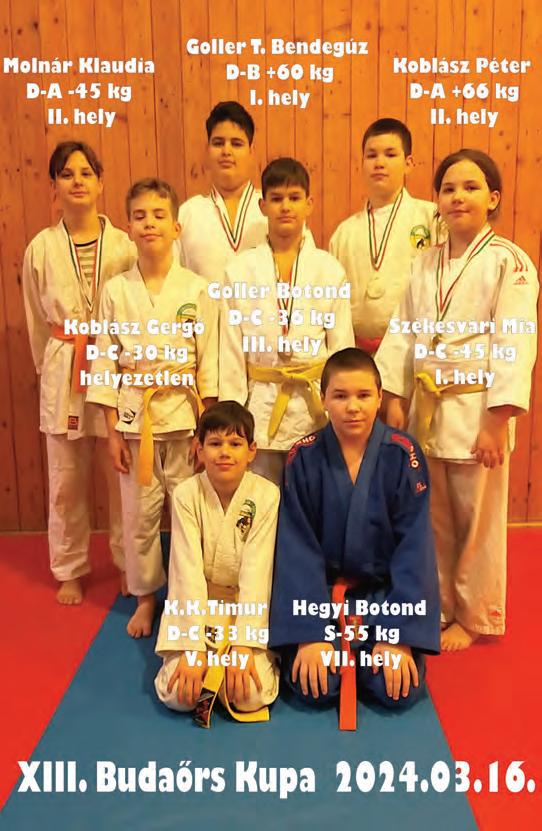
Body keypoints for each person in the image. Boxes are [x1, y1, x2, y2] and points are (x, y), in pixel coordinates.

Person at [376, 149, 539, 651]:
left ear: (493, 198)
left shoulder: (509, 261)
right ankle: (440, 604)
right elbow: (403, 330)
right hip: (428, 410)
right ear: (437, 201)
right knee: (435, 517)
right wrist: (395, 394)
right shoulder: (425, 262)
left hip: (476, 409)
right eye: (448, 189)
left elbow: (515, 342)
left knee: (477, 521)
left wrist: (497, 419)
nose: (457, 197)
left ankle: (476, 614)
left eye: (470, 187)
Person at [269, 348, 440, 729]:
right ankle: (340, 650)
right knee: (315, 687)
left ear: (380, 397)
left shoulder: (404, 455)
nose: (353, 407)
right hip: (323, 597)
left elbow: (415, 550)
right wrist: (310, 635)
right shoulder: (303, 457)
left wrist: (397, 637)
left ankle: (373, 651)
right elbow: (297, 549)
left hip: (383, 597)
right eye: (340, 395)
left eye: (364, 395)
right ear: (323, 399)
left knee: (397, 690)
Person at [86, 178, 218, 637]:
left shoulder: (198, 289)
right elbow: (104, 361)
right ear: (128, 227)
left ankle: (185, 595)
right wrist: (111, 432)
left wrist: (206, 433)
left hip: (184, 419)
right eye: (140, 216)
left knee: (187, 514)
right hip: (134, 419)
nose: (149, 224)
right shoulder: (115, 290)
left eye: (159, 215)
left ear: (176, 227)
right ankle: (145, 597)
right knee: (138, 518)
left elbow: (209, 363)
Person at [22, 140, 135, 605]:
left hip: (112, 361)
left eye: (86, 172)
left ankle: (129, 565)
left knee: (122, 475)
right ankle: (69, 568)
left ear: (100, 182)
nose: (77, 181)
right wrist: (49, 368)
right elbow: (36, 319)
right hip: (65, 360)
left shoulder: (124, 245)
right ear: (54, 186)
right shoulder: (41, 248)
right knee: (66, 480)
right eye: (67, 174)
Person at [219, 157, 354, 485]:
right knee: (261, 500)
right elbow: (231, 350)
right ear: (262, 205)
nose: (285, 207)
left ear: (309, 204)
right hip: (260, 405)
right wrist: (232, 420)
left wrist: (342, 406)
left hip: (313, 410)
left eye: (294, 198)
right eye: (276, 198)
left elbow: (341, 348)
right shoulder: (239, 270)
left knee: (314, 499)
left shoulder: (329, 268)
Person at [154, 401, 280, 724]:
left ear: (252, 451)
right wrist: (192, 647)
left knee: (249, 695)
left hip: (245, 605)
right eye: (214, 443)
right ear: (198, 449)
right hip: (201, 603)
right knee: (178, 694)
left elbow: (258, 571)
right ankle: (213, 673)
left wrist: (244, 644)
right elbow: (185, 570)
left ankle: (229, 671)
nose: (225, 452)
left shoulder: (267, 495)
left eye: (235, 443)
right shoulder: (186, 494)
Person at [329, 118, 440, 353]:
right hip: (358, 353)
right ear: (361, 164)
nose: (379, 163)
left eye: (390, 155)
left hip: (412, 349)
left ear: (408, 163)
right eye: (371, 155)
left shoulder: (432, 218)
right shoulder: (344, 233)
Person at [177, 101, 268, 280]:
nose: (226, 151)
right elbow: (171, 282)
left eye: (236, 144)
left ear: (251, 152)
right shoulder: (187, 214)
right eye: (218, 143)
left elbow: (305, 272)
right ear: (207, 150)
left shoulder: (275, 209)